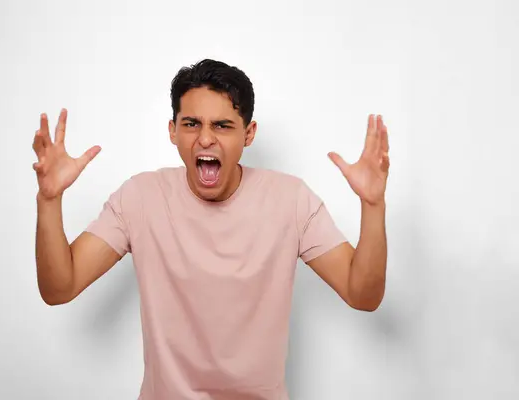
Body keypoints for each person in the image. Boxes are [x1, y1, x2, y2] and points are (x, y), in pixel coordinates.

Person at [33, 59, 390, 400]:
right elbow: (59, 288)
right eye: (191, 124)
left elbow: (363, 295)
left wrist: (372, 206)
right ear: (172, 131)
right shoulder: (139, 197)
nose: (205, 139)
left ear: (248, 133)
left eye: (222, 125)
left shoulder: (291, 200)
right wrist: (49, 200)